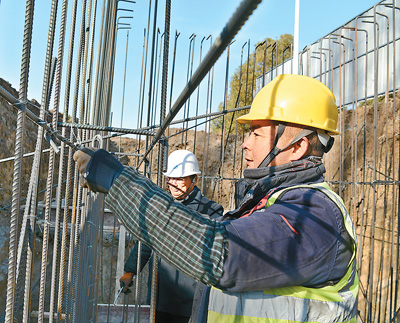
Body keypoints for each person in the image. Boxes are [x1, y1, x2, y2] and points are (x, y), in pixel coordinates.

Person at [74, 74, 358, 323]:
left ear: (296, 146)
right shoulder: (267, 202)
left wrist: (118, 181)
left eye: (256, 133)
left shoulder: (314, 216)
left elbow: (219, 252)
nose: (245, 143)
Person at [119, 149, 224, 323]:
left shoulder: (211, 211)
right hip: (160, 295)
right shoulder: (161, 206)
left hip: (191, 298)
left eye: (180, 178)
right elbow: (146, 242)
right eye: (171, 178)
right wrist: (130, 271)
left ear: (194, 180)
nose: (174, 184)